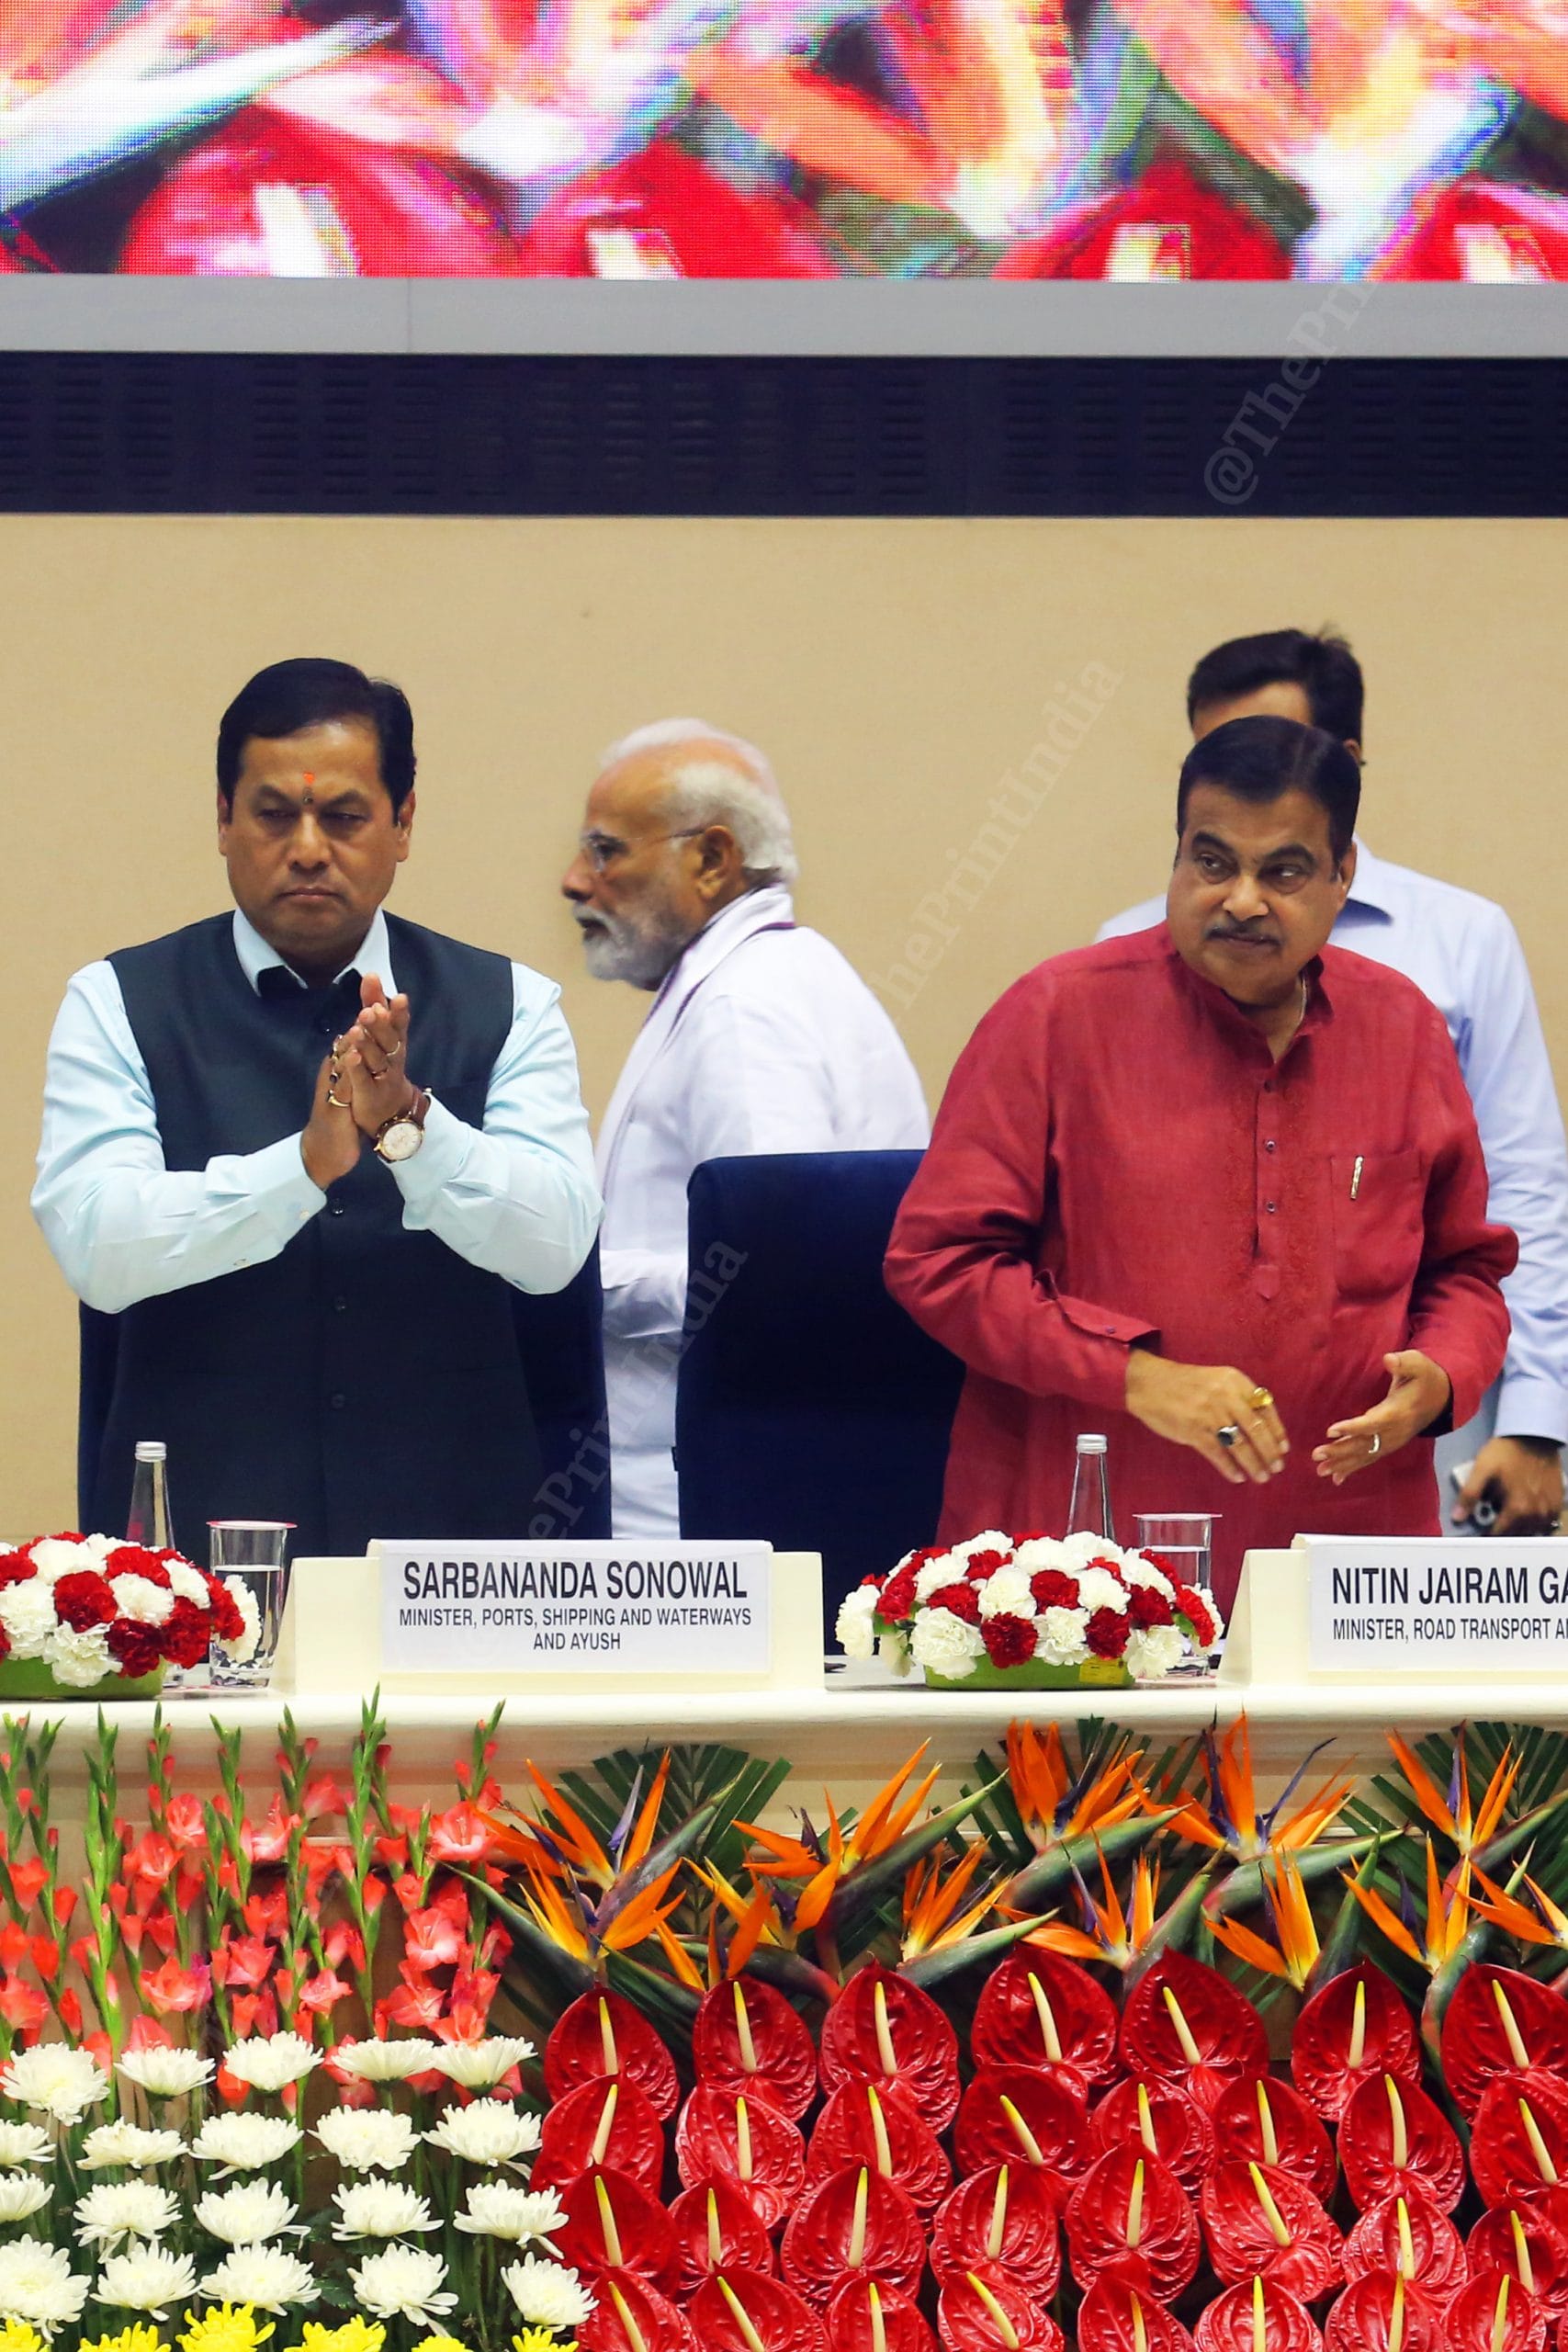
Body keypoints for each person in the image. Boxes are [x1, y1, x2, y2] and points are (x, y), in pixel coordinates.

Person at [886, 716, 1516, 1614]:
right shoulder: (1056, 1017)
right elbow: (936, 1261)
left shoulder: (1403, 1028)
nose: (1243, 899)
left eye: (1285, 871)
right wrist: (1141, 1377)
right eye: (1212, 861)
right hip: (1090, 1577)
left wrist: (1444, 1375)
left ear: (1344, 879)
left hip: (1355, 1572)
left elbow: (1467, 1267)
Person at [34, 658, 601, 1558]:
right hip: (192, 1561)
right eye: (272, 814)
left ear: (403, 824)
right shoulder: (116, 1000)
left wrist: (414, 1128)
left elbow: (556, 1246)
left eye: (342, 817)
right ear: (222, 819)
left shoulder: (512, 1004)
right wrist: (300, 1167)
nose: (306, 848)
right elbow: (100, 1245)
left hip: (451, 1559)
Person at [1100, 628, 1568, 1537]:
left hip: (1402, 1425)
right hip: (1174, 1440)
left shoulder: (1457, 943)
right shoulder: (1116, 961)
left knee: (1388, 1670)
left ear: (1344, 764)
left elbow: (1522, 1194)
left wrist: (1538, 1422)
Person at [562, 719, 931, 1535]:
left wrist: (575, 1279)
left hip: (698, 1513)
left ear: (710, 859)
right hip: (726, 1481)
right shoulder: (777, 977)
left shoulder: (744, 1009)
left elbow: (769, 1283)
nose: (573, 882)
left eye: (605, 850)